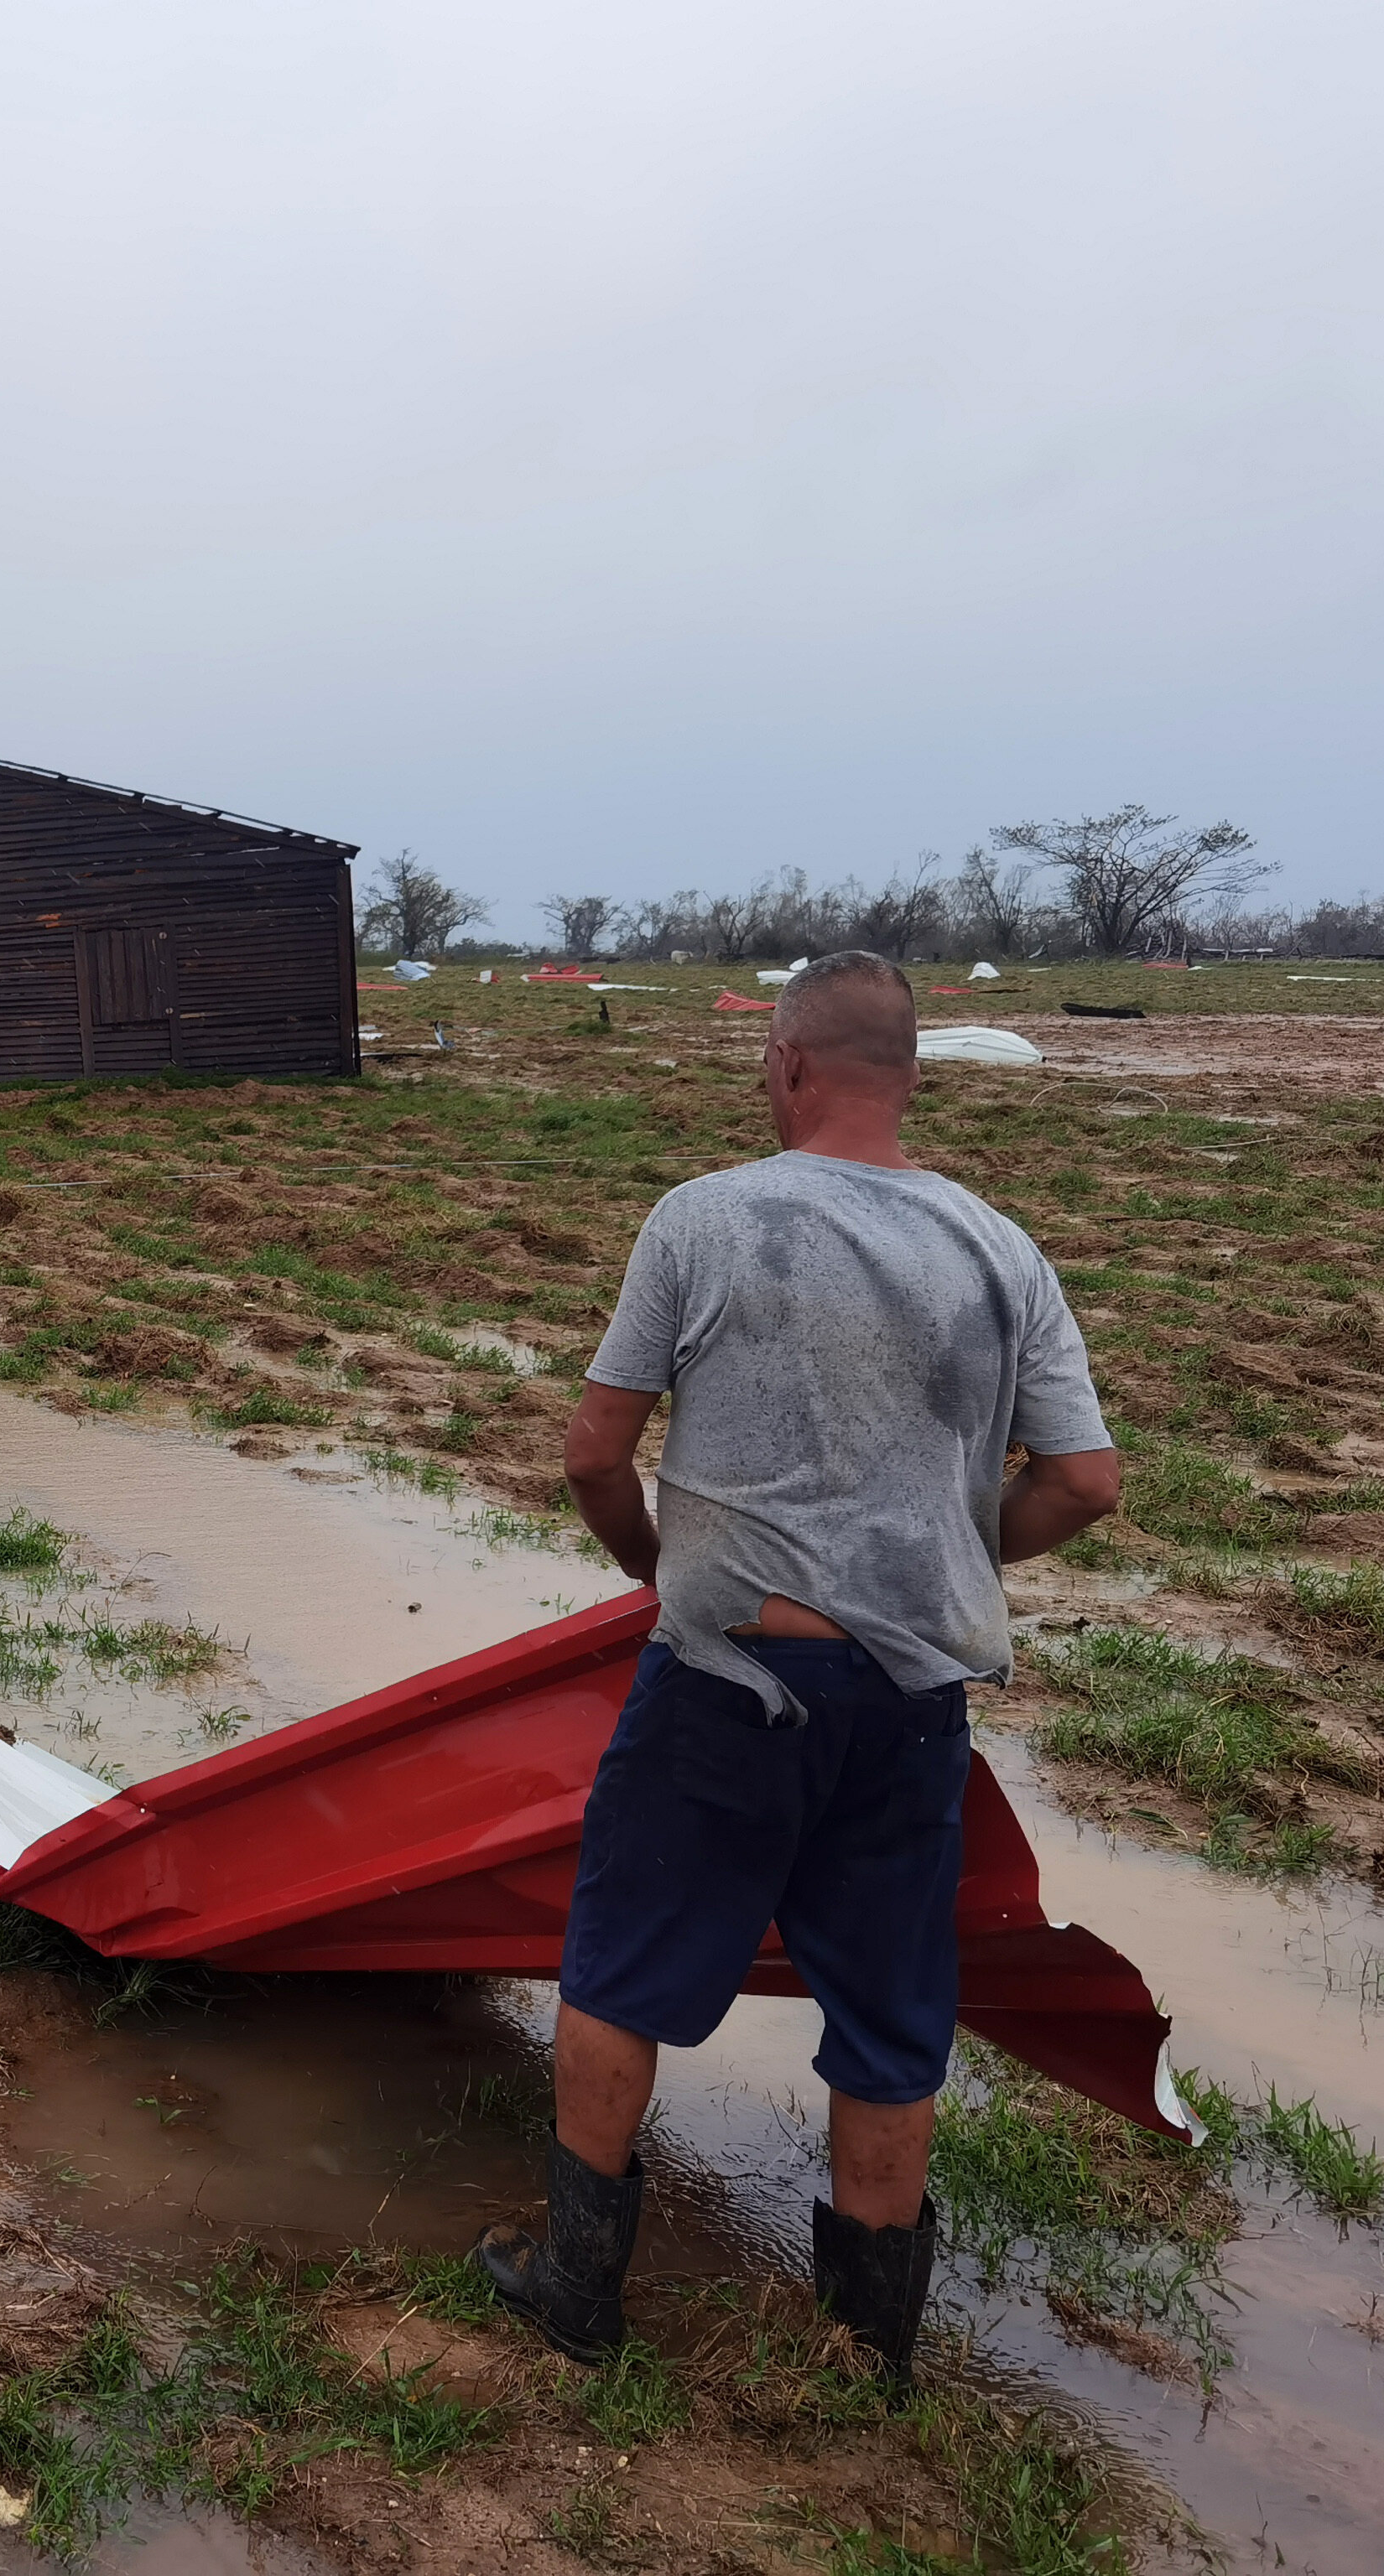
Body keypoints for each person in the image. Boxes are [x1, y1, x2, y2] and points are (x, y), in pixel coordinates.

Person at [478, 952, 1121, 2383]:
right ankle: (868, 2348)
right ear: (907, 1073)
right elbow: (1082, 1479)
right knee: (891, 2012)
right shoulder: (1001, 1249)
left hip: (725, 1680)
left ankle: (576, 2285)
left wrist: (653, 1568)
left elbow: (592, 1451)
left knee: (621, 1971)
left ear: (787, 1066)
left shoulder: (704, 1219)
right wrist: (951, 1563)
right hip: (907, 1705)